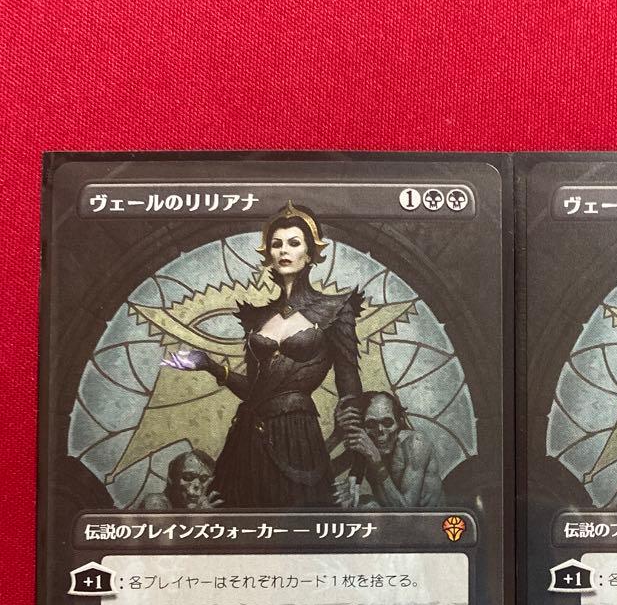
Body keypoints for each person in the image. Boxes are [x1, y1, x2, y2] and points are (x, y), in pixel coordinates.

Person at [162, 202, 362, 507]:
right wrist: (210, 365)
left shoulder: (335, 310)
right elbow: (255, 391)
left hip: (297, 435)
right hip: (247, 437)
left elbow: (351, 396)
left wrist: (357, 471)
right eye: (276, 244)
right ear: (268, 253)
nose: (284, 250)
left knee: (297, 521)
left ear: (310, 253)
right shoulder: (255, 318)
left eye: (294, 243)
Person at [336, 391, 445, 508]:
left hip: (425, 516)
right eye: (371, 424)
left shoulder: (415, 443)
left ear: (399, 422)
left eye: (387, 422)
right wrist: (336, 436)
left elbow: (406, 510)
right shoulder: (365, 446)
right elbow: (328, 472)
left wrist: (378, 464)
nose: (380, 430)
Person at [139, 449, 222, 510]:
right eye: (188, 477)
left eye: (203, 479)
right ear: (171, 478)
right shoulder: (155, 502)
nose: (197, 485)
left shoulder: (205, 505)